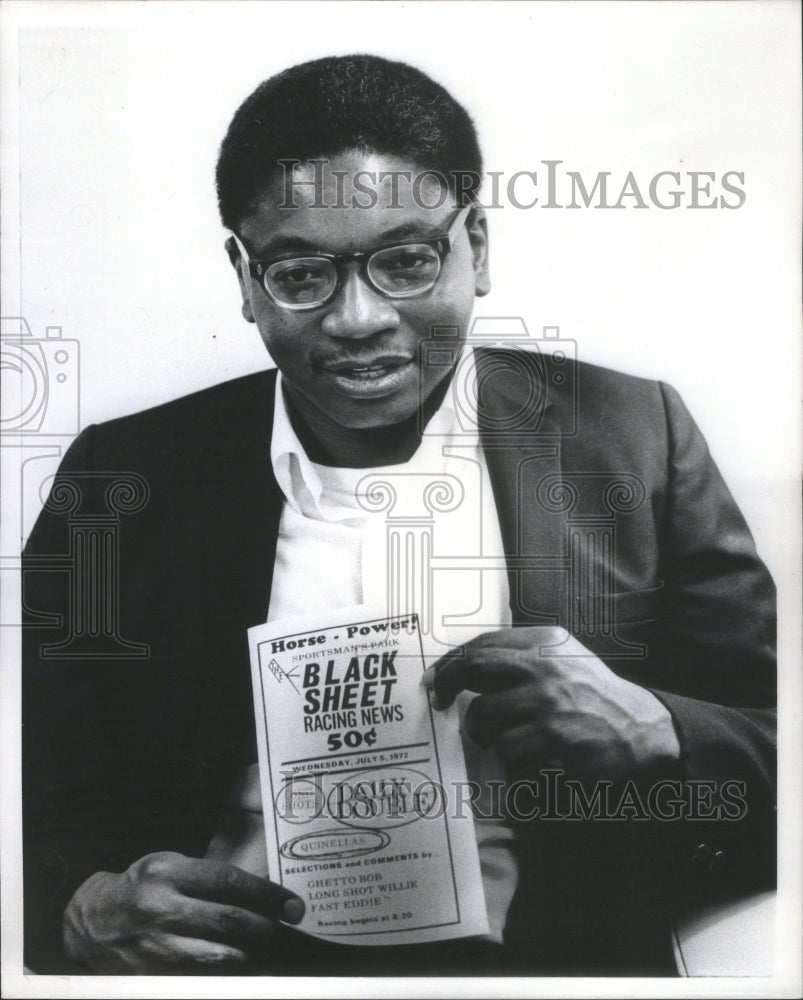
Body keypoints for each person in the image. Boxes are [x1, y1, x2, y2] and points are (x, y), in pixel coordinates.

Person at [22, 54, 776, 977]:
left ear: (479, 247)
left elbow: (777, 737)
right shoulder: (124, 474)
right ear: (245, 276)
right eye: (300, 274)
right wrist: (72, 906)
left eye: (407, 261)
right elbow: (27, 777)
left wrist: (662, 729)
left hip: (553, 975)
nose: (357, 318)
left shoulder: (632, 435)